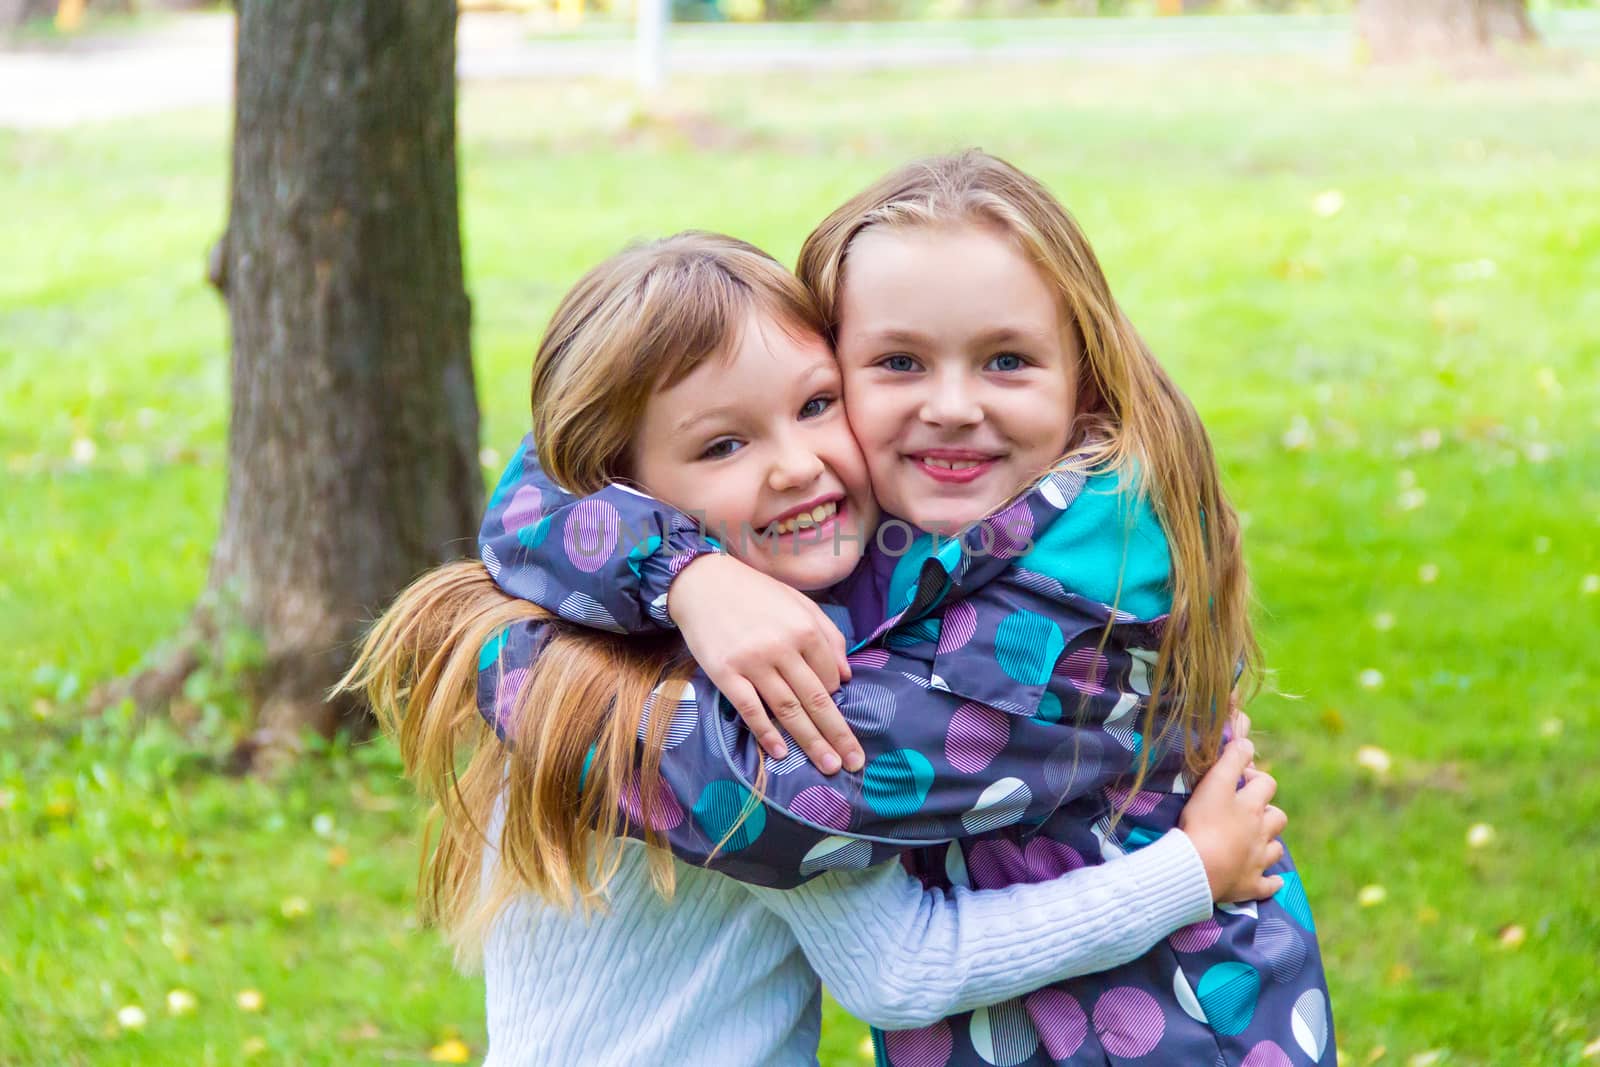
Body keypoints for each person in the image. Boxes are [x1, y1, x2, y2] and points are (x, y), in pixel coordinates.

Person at [342, 231, 1288, 1066]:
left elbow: (533, 490)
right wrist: (1192, 870)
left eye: (816, 403)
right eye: (721, 447)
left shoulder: (612, 613)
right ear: (623, 489)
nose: (795, 464)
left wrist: (688, 573)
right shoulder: (733, 694)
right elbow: (900, 966)